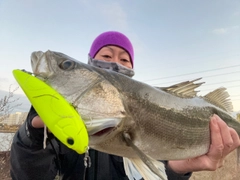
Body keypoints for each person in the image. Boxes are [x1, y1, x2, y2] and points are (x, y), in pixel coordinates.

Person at [10, 31, 240, 180]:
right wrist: (33, 136)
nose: (115, 63)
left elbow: (159, 174)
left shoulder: (143, 101)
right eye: (106, 56)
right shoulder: (56, 124)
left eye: (124, 59)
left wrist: (180, 169)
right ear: (91, 64)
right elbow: (28, 175)